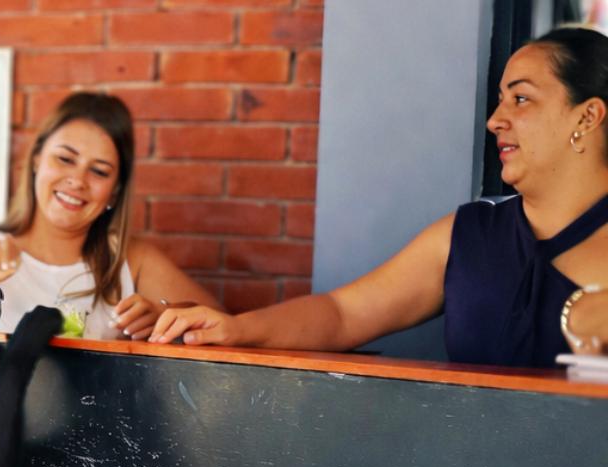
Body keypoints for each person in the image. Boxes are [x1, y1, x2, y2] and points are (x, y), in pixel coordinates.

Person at [149, 27, 608, 368]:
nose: (495, 120)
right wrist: (236, 328)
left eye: (521, 100)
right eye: (499, 100)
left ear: (587, 117)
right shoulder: (468, 235)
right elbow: (342, 314)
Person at [0, 92, 224, 340]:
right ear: (37, 159)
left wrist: (165, 316)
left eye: (99, 171)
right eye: (65, 159)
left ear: (116, 191)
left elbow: (221, 326)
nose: (78, 180)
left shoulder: (130, 261)